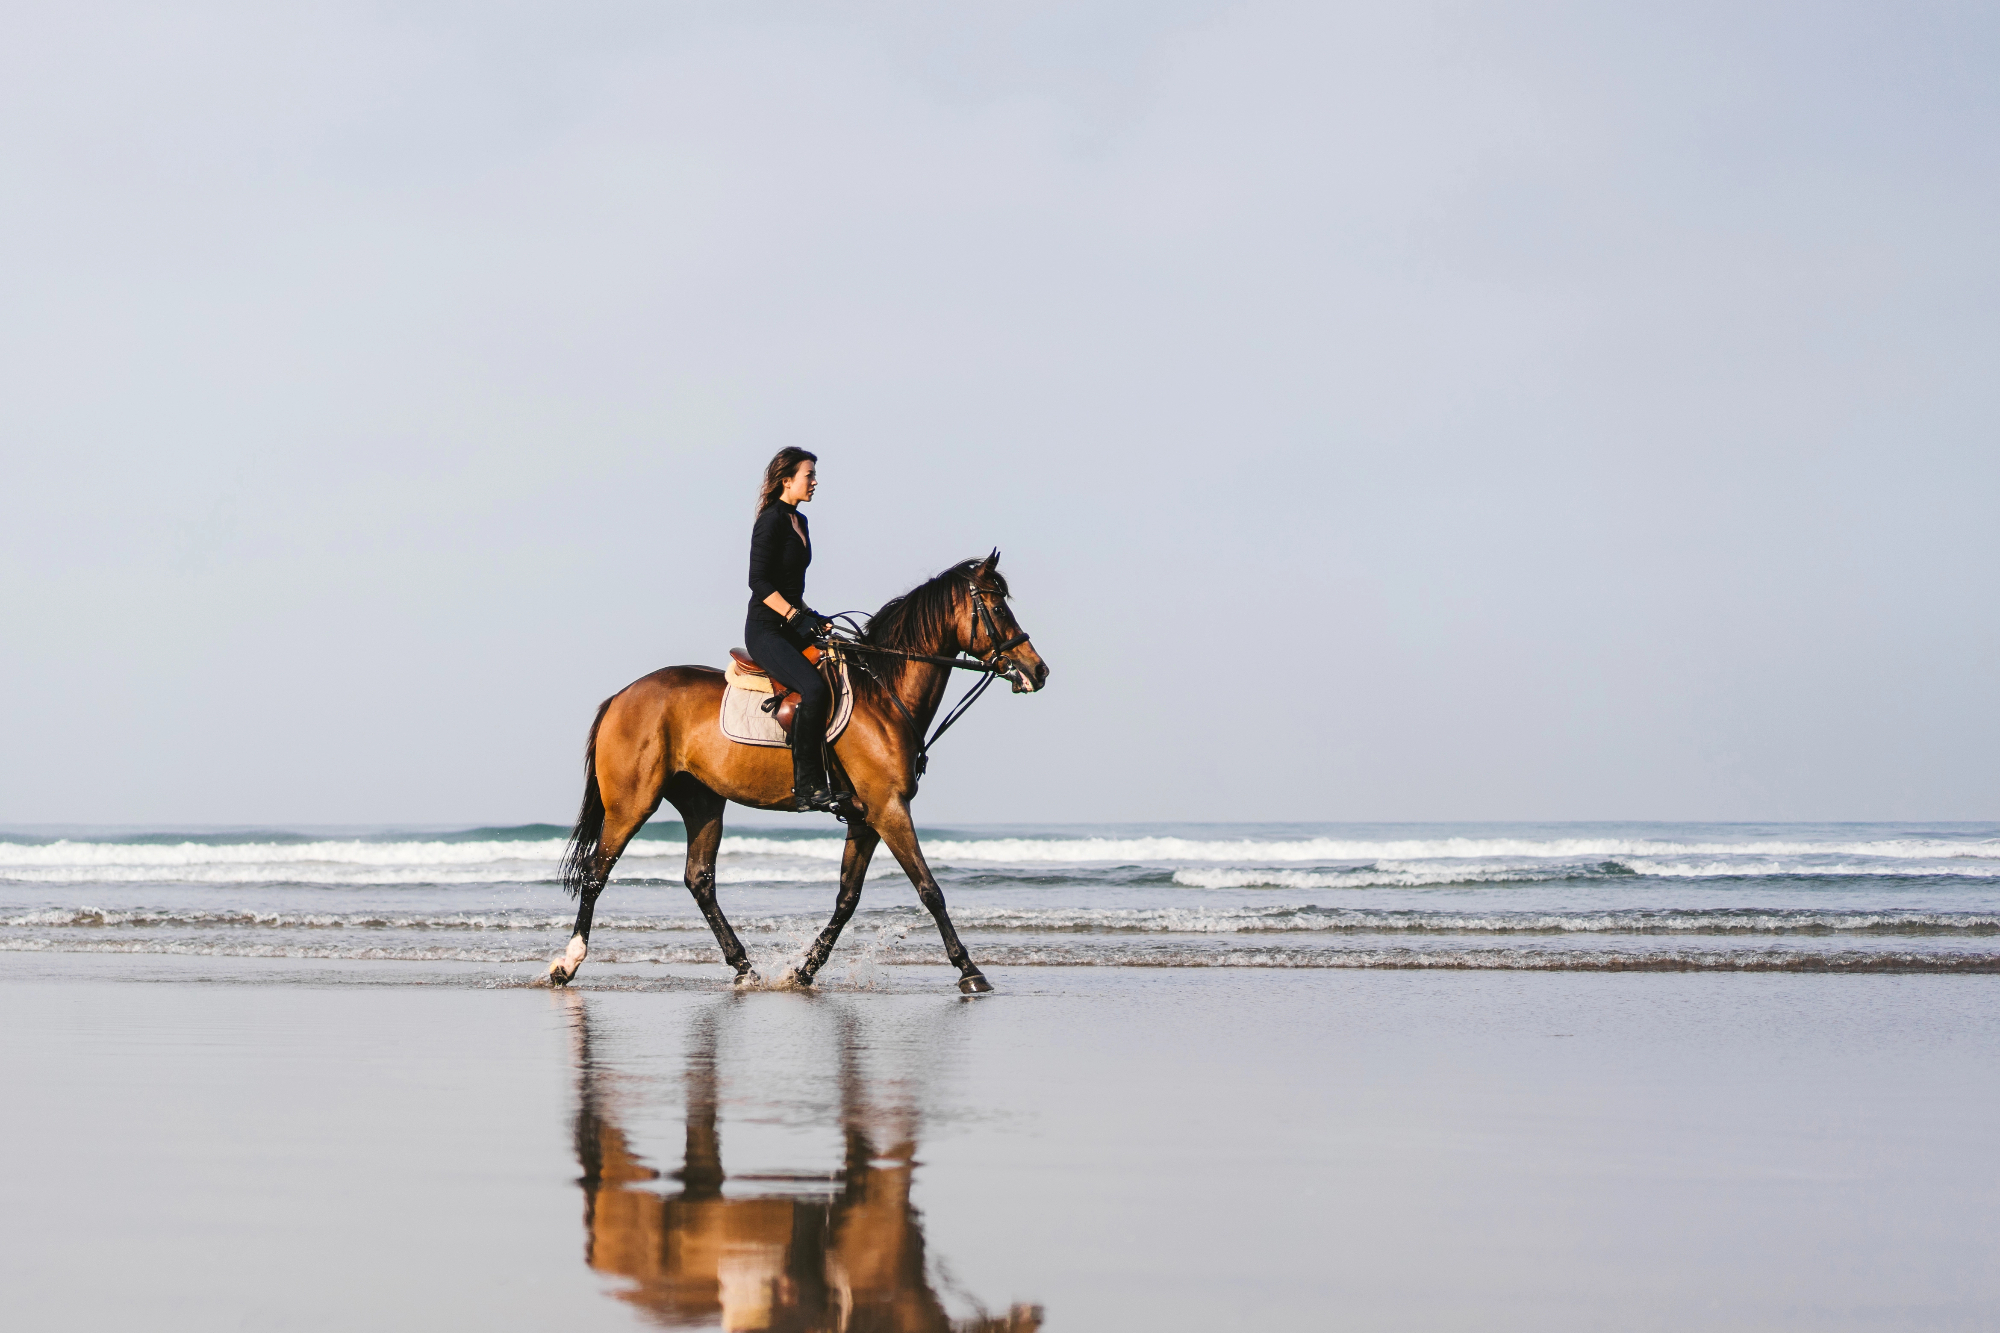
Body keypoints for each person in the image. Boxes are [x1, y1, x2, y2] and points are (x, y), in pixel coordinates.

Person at [746, 448, 840, 812]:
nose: (814, 482)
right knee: (814, 688)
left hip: (791, 621)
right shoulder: (770, 520)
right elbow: (759, 582)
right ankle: (806, 786)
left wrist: (811, 616)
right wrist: (792, 616)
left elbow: (791, 588)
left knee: (845, 661)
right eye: (809, 475)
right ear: (787, 480)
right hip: (767, 629)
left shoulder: (800, 520)